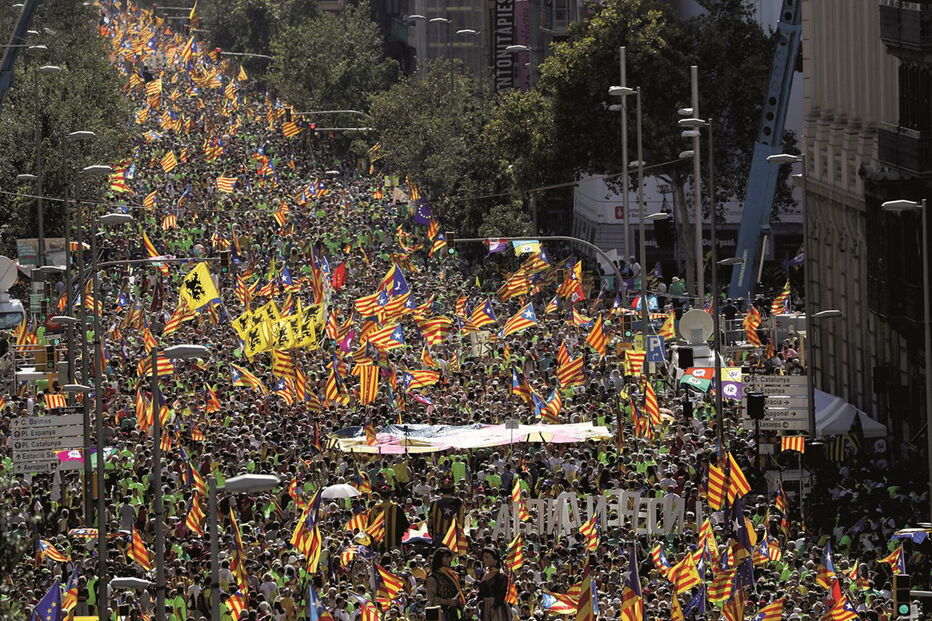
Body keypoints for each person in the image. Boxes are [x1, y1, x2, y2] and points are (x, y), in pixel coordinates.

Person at [424, 548, 464, 621]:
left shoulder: (452, 575)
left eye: (450, 557)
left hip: (453, 614)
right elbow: (431, 599)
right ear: (439, 559)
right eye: (446, 557)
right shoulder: (433, 578)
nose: (450, 560)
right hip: (440, 615)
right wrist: (447, 601)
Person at [477, 549, 509, 621]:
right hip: (485, 606)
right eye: (484, 557)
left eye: (487, 557)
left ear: (495, 559)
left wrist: (494, 607)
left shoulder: (501, 575)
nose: (484, 559)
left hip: (497, 607)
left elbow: (501, 594)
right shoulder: (484, 574)